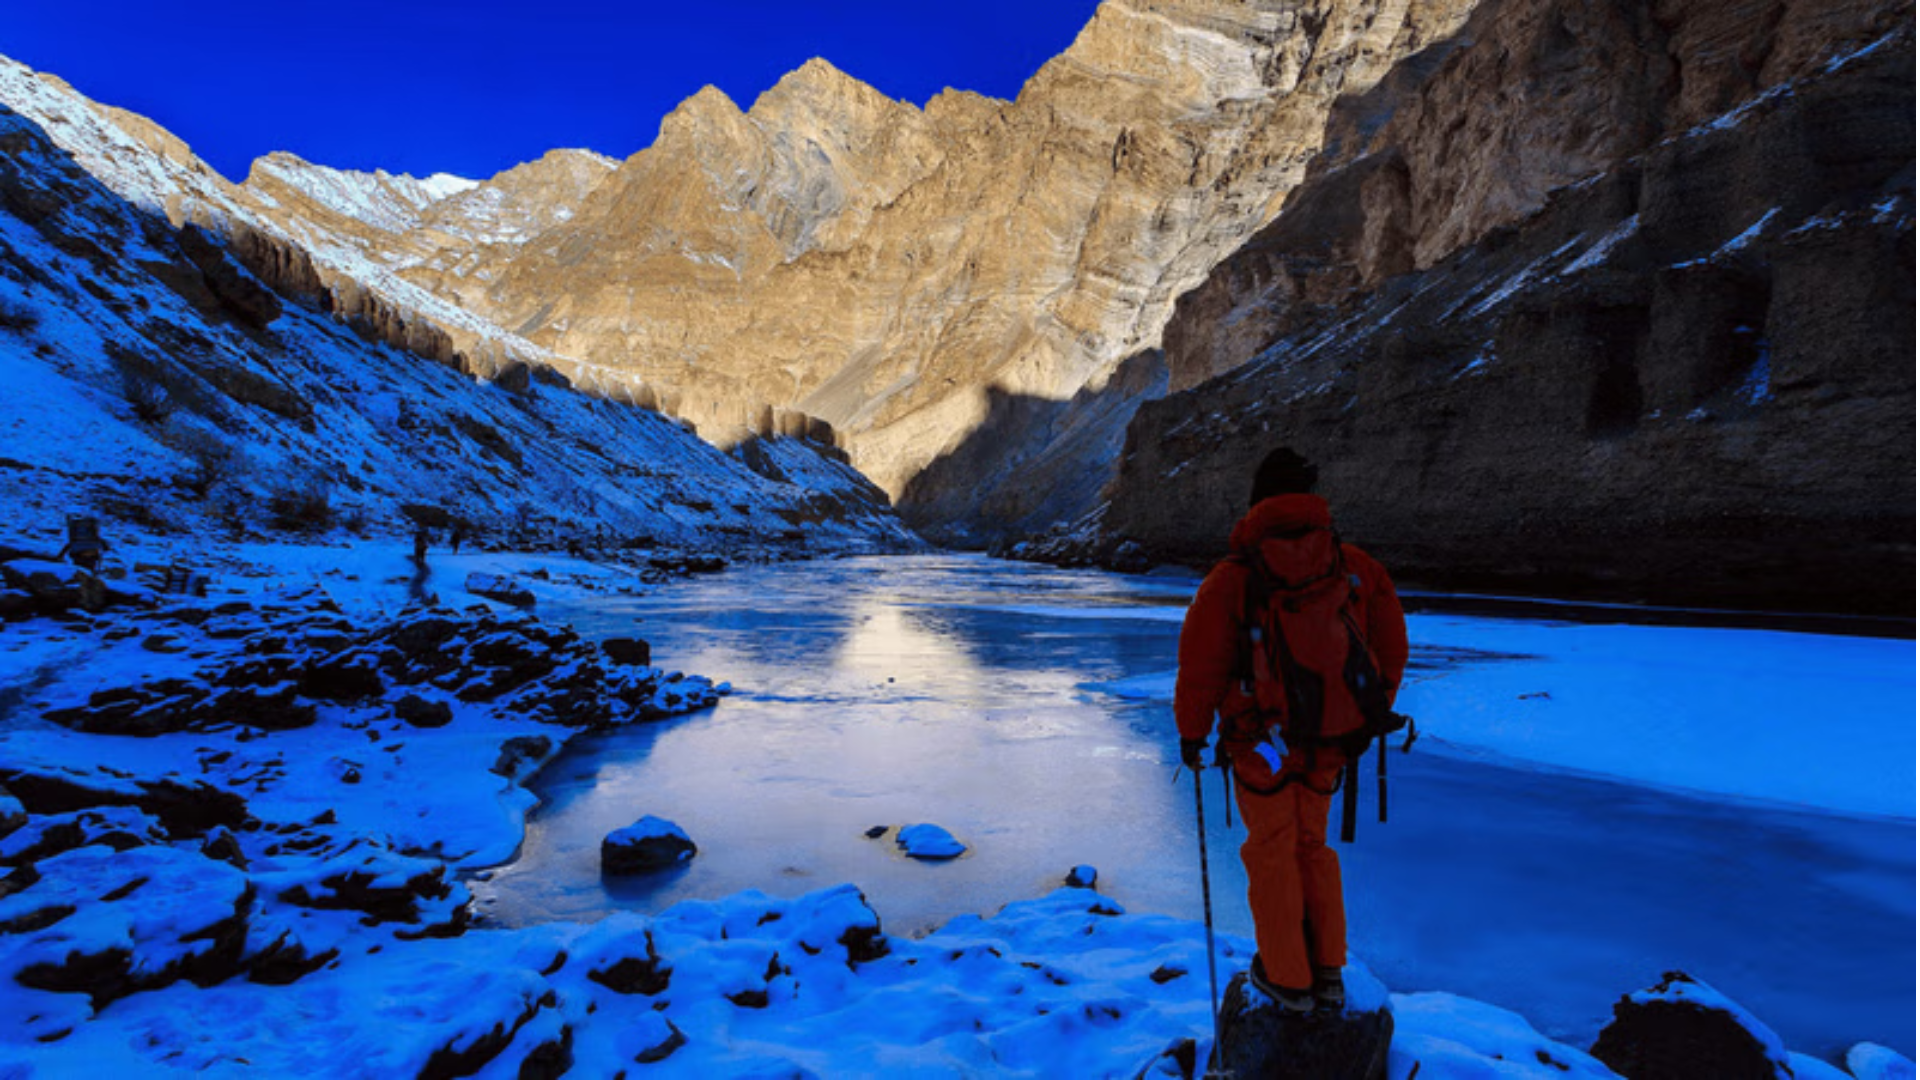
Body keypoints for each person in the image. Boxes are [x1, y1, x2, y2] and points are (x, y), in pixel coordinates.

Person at [1174, 447, 1408, 1013]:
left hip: (1261, 743)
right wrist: (1360, 716)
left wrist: (1192, 733)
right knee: (1313, 846)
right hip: (1331, 739)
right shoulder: (1351, 565)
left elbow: (1201, 664)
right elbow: (1390, 648)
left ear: (1257, 501)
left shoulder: (1235, 576)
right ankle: (1327, 970)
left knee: (1271, 851)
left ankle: (1287, 979)